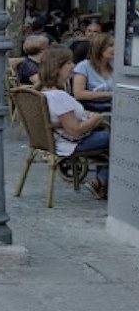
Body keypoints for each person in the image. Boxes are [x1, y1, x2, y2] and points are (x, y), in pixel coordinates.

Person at [40, 46, 111, 199]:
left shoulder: (45, 91)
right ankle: (101, 181)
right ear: (57, 68)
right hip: (69, 144)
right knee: (116, 138)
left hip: (57, 139)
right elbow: (75, 130)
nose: (73, 66)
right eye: (68, 63)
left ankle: (102, 183)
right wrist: (96, 118)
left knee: (109, 132)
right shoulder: (58, 96)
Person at [72, 33, 114, 113]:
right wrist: (109, 94)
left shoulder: (115, 66)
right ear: (100, 48)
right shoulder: (83, 66)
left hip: (114, 106)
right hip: (92, 110)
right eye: (111, 46)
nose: (115, 48)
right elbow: (78, 94)